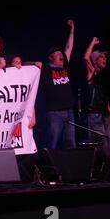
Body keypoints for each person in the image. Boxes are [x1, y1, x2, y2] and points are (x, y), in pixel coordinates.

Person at [39, 19, 76, 149]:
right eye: (58, 54)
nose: (61, 55)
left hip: (69, 112)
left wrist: (72, 31)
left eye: (61, 54)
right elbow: (27, 66)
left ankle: (70, 168)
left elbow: (68, 48)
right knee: (52, 145)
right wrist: (32, 64)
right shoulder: (45, 69)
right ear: (50, 57)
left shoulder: (65, 67)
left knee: (71, 144)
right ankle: (49, 168)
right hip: (54, 113)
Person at [83, 37, 110, 163]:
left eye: (105, 57)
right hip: (94, 114)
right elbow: (86, 57)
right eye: (102, 57)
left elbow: (105, 96)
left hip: (105, 114)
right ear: (95, 60)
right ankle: (99, 171)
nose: (105, 59)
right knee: (101, 144)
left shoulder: (104, 77)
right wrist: (92, 42)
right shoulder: (92, 72)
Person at [6, 53, 43, 129]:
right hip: (9, 116)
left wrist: (33, 116)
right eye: (15, 62)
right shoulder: (5, 77)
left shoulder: (25, 79)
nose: (18, 65)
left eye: (19, 62)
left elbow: (29, 98)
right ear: (9, 64)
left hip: (21, 116)